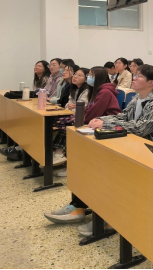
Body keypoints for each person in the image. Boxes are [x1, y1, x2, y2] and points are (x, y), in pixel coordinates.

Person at [43, 67, 121, 227]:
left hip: (105, 134)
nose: (88, 77)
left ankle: (83, 207)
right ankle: (77, 205)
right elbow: (89, 111)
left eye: (91, 75)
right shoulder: (96, 91)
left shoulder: (105, 92)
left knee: (88, 169)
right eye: (88, 75)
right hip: (93, 129)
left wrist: (81, 116)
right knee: (81, 168)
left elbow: (93, 114)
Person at [88, 64, 153, 150]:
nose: (134, 78)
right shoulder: (137, 97)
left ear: (150, 83)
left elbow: (140, 129)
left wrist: (106, 124)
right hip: (142, 142)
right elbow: (124, 116)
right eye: (135, 75)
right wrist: (101, 119)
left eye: (139, 76)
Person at [52, 67, 91, 170]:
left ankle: (59, 152)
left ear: (86, 79)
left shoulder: (87, 90)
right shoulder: (74, 89)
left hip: (83, 117)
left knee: (68, 125)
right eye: (75, 74)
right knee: (58, 123)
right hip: (73, 115)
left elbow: (82, 107)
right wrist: (69, 106)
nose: (75, 77)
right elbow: (68, 105)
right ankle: (56, 151)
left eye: (79, 75)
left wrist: (71, 107)